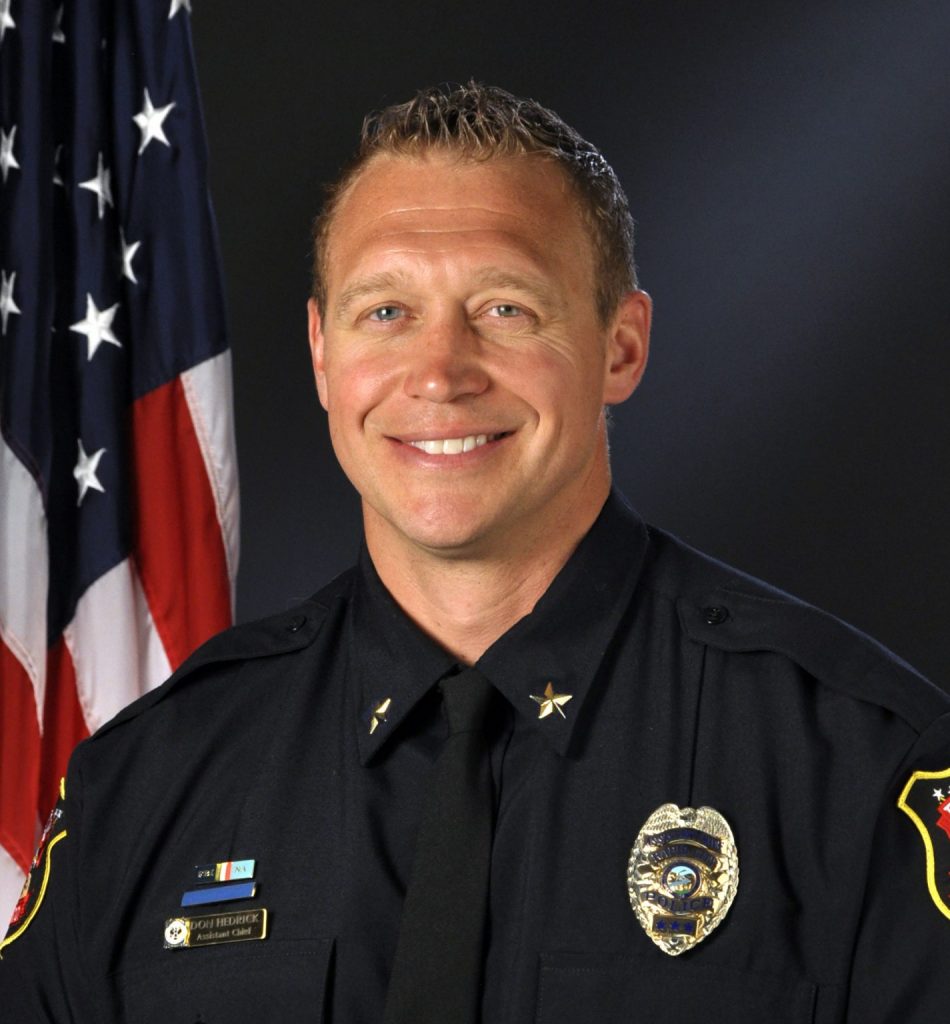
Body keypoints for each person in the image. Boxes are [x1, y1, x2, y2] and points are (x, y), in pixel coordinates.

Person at [2, 82, 949, 1024]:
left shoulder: (857, 769)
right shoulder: (151, 780)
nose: (441, 373)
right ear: (322, 353)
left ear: (622, 346)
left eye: (505, 309)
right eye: (387, 312)